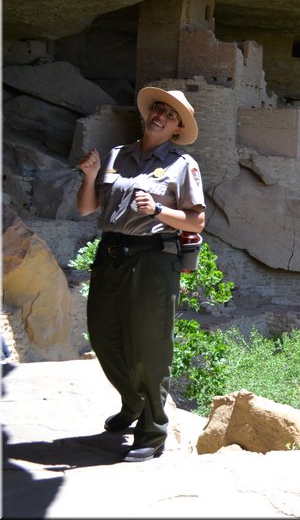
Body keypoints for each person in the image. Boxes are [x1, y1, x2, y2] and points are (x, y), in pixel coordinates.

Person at [76, 86, 206, 463]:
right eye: (158, 109)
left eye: (170, 115)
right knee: (103, 335)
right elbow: (87, 209)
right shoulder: (119, 155)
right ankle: (132, 403)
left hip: (153, 259)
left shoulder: (183, 165)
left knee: (149, 348)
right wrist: (90, 176)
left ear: (177, 129)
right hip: (111, 253)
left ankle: (151, 432)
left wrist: (157, 211)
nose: (161, 116)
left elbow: (197, 219)